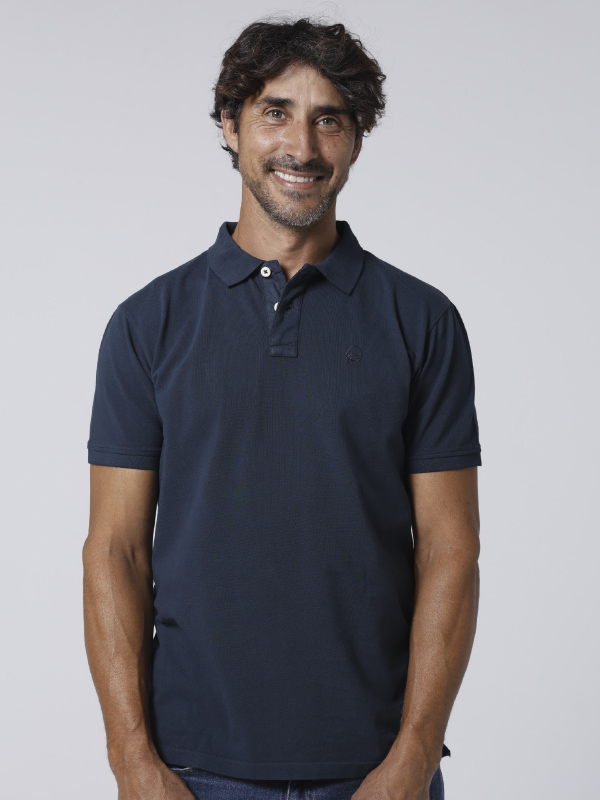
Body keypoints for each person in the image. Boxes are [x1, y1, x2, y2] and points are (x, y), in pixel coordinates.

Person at [83, 16, 482, 800]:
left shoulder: (422, 321)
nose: (301, 146)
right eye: (275, 112)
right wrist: (132, 762)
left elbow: (451, 551)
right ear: (230, 126)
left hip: (375, 770)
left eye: (329, 119)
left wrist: (412, 760)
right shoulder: (147, 324)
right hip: (192, 770)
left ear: (356, 141)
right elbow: (115, 552)